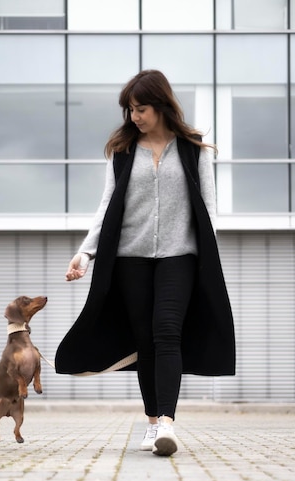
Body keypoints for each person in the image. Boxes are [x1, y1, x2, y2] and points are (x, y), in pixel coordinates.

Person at [55, 69, 235, 457]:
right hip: (129, 259)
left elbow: (209, 208)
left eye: (141, 108)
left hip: (180, 256)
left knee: (167, 330)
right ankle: (152, 423)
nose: (134, 116)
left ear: (161, 105)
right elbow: (107, 205)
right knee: (145, 340)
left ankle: (167, 422)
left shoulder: (193, 148)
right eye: (130, 110)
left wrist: (208, 257)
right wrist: (86, 251)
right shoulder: (122, 152)